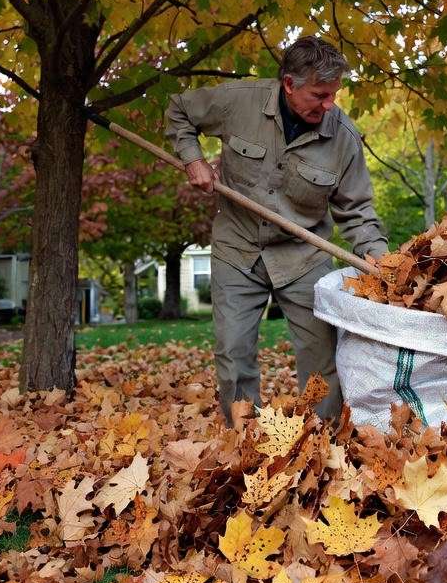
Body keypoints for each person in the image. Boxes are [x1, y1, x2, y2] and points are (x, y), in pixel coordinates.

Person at [166, 36, 388, 421]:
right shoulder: (238, 102)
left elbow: (358, 213)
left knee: (321, 356)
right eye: (319, 95)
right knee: (233, 350)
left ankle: (320, 438)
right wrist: (192, 159)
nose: (329, 104)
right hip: (238, 249)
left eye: (334, 94)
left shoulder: (343, 138)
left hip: (303, 257)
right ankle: (244, 436)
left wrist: (382, 262)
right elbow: (179, 110)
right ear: (289, 84)